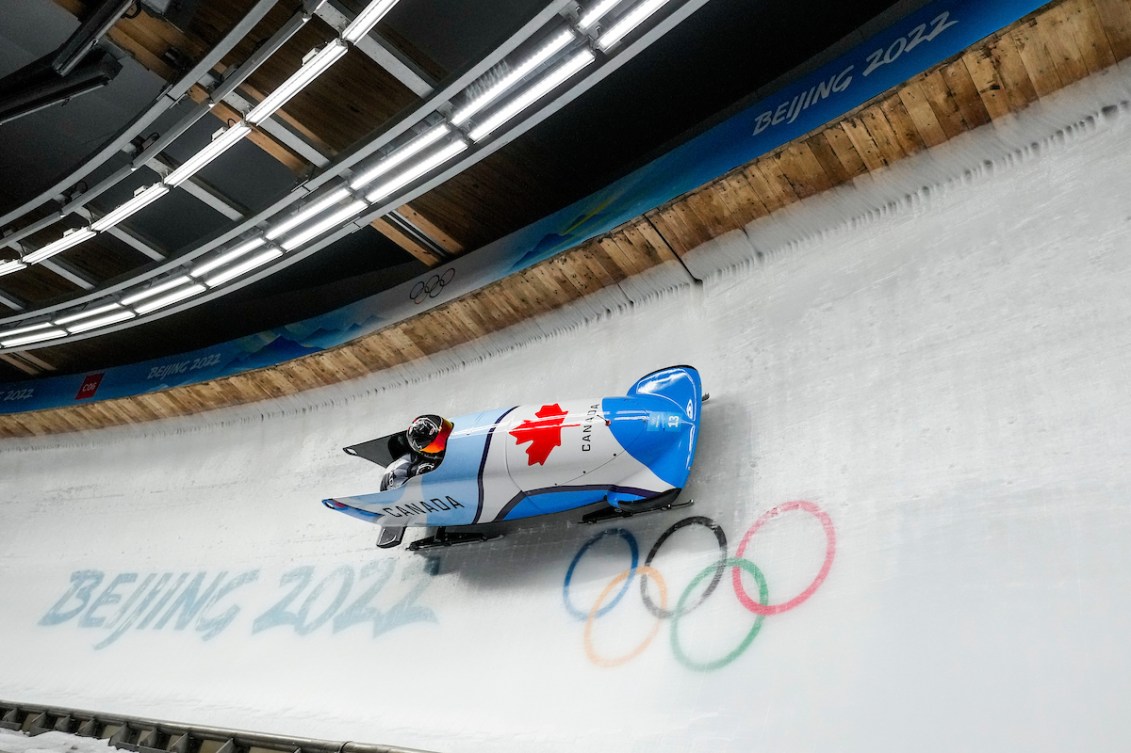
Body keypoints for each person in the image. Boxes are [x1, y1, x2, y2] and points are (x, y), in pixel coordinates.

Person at [380, 414, 453, 491]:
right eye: (436, 445)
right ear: (422, 450)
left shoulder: (421, 455)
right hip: (396, 489)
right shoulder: (422, 468)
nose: (442, 444)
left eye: (441, 438)